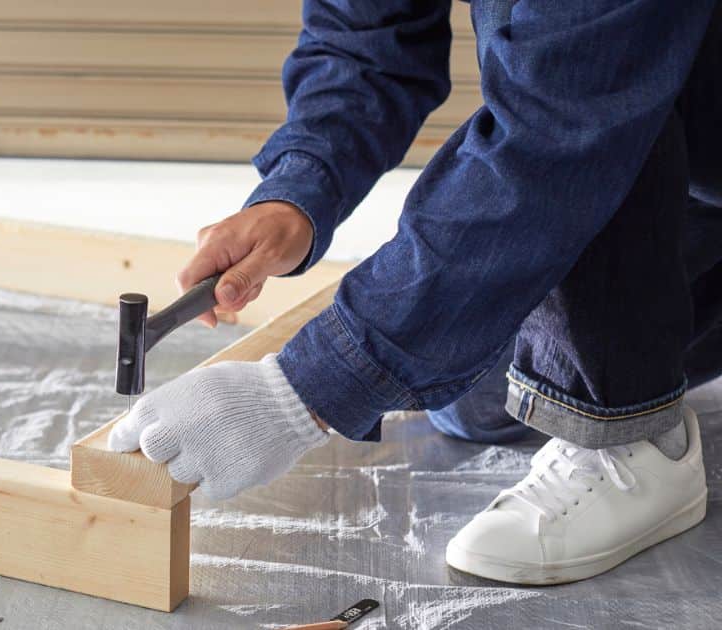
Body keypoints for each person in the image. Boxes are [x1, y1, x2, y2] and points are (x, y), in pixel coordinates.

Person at [109, 0, 721, 585]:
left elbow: (559, 126)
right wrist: (298, 188)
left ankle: (633, 438)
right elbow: (370, 40)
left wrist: (298, 392)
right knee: (475, 401)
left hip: (606, 115)